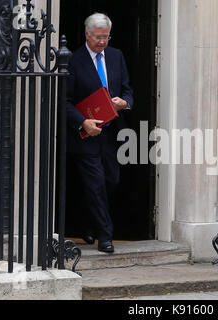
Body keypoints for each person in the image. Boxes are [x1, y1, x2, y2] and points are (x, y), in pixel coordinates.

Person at [65, 12, 133, 253]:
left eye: (106, 37)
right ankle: (105, 236)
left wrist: (124, 103)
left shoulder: (116, 56)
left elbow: (127, 91)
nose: (102, 42)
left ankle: (85, 222)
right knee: (95, 184)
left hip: (112, 133)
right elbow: (65, 101)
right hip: (86, 135)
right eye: (98, 37)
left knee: (110, 181)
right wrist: (83, 122)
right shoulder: (73, 59)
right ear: (87, 34)